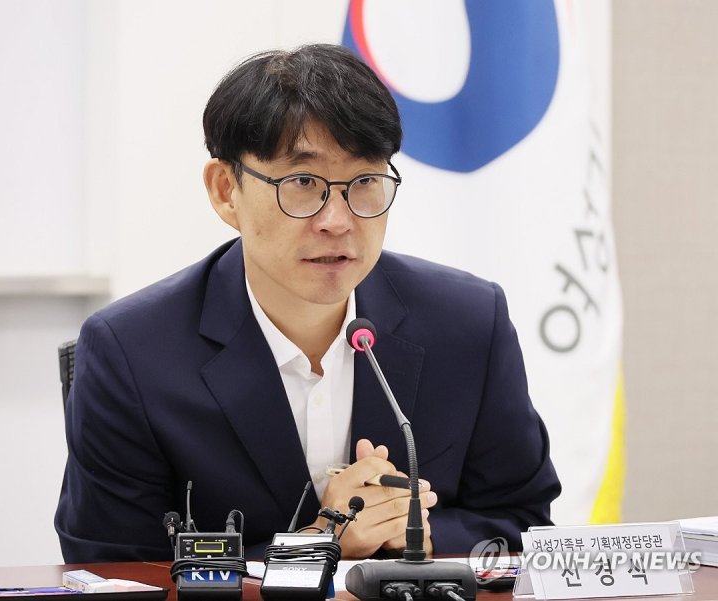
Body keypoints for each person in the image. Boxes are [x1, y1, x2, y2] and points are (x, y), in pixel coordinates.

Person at [54, 43, 560, 563]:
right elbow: (111, 569)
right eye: (302, 182)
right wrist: (316, 544)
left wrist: (418, 536)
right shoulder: (133, 352)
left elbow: (523, 521)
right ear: (226, 190)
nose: (337, 220)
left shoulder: (469, 323)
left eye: (364, 181)